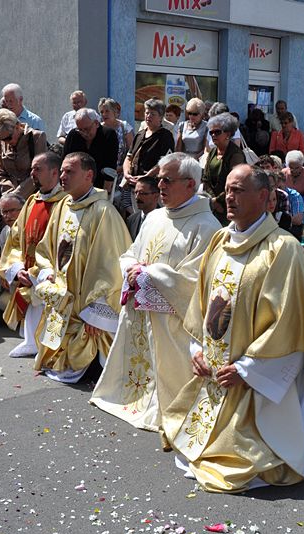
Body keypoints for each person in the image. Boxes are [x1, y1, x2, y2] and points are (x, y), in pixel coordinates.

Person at [163, 164, 304, 493]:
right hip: (216, 373)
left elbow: (290, 325)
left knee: (248, 457)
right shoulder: (220, 239)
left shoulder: (284, 249)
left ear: (264, 197)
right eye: (227, 190)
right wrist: (198, 350)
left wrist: (247, 370)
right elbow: (203, 303)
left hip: (255, 380)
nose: (229, 197)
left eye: (238, 190)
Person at [90, 152, 220, 432]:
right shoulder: (154, 217)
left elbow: (195, 282)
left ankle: (166, 405)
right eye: (159, 179)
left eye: (167, 180)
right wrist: (132, 269)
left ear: (190, 184)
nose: (160, 185)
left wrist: (148, 275)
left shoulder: (207, 227)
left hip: (172, 322)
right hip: (140, 311)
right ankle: (133, 398)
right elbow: (131, 253)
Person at [32, 152, 131, 383]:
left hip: (85, 306)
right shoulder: (63, 205)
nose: (63, 176)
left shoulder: (103, 212)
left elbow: (110, 266)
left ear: (88, 176)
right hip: (62, 295)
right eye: (62, 171)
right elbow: (47, 247)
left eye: (70, 172)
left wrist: (97, 314)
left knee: (91, 358)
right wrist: (48, 272)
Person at [0, 152, 68, 359]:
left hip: (53, 269)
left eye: (38, 169)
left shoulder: (66, 203)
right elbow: (15, 239)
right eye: (32, 169)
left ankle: (52, 346)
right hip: (28, 268)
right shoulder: (31, 201)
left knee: (51, 305)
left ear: (54, 172)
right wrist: (16, 267)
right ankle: (31, 342)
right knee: (33, 306)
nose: (32, 173)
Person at [0, 109, 48, 200]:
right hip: (10, 198)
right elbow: (0, 173)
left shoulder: (36, 137)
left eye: (8, 138)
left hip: (35, 197)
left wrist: (17, 195)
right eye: (0, 139)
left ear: (17, 126)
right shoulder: (2, 141)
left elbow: (39, 172)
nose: (6, 142)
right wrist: (9, 194)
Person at [202, 112, 245, 222]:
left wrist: (219, 201)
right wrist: (213, 200)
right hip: (212, 205)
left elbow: (236, 183)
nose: (213, 135)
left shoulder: (236, 155)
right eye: (211, 132)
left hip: (230, 204)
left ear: (228, 134)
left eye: (217, 132)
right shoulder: (212, 152)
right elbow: (205, 178)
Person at [63, 108, 119, 192]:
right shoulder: (73, 135)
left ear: (96, 123)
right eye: (80, 129)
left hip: (98, 185)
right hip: (74, 184)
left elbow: (110, 166)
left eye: (87, 129)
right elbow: (65, 161)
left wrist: (105, 193)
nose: (84, 133)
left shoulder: (108, 135)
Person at [98, 98, 135, 188]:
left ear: (115, 112)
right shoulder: (98, 129)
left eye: (107, 111)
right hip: (103, 174)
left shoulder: (124, 127)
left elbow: (132, 152)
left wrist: (122, 168)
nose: (104, 114)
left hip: (121, 174)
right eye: (102, 112)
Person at [125, 176, 159, 240]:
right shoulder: (131, 220)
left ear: (156, 196)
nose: (137, 197)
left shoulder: (165, 220)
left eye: (142, 193)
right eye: (135, 193)